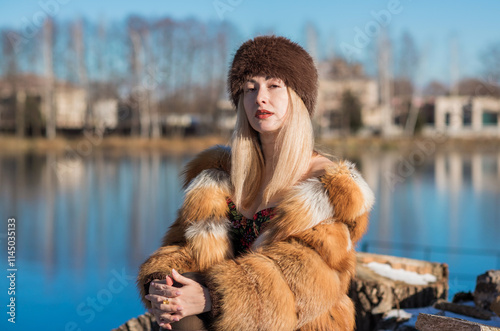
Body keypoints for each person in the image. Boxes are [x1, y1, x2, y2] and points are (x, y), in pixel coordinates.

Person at [130, 35, 374, 331]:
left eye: (274, 85)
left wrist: (211, 297)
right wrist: (162, 284)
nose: (259, 97)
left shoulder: (331, 188)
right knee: (177, 304)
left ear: (298, 97)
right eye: (249, 88)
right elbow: (184, 247)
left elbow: (304, 288)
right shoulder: (218, 174)